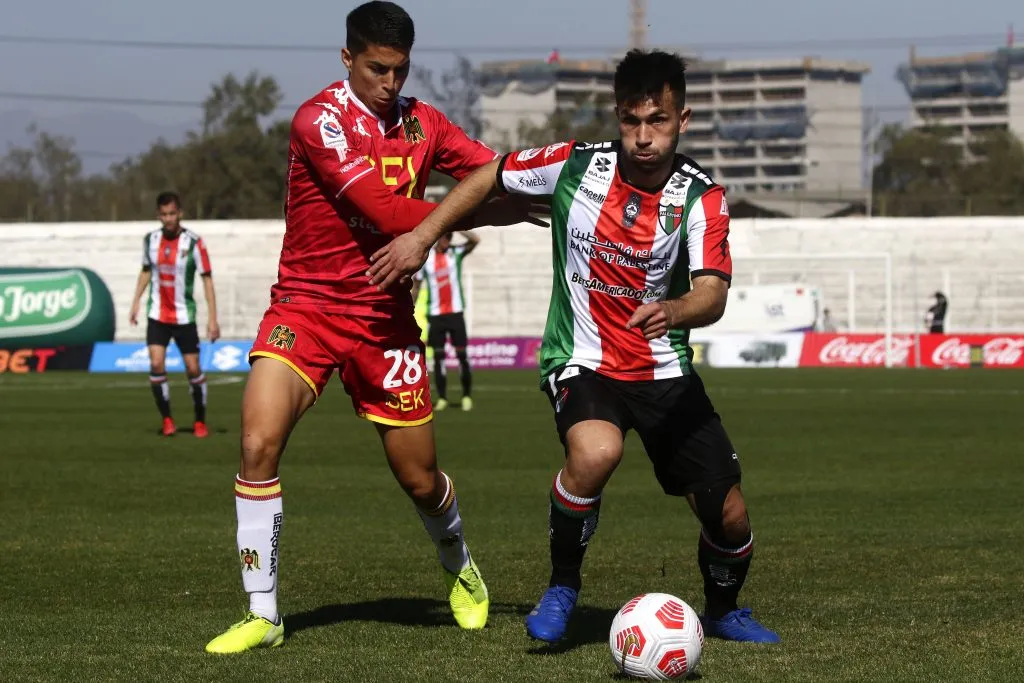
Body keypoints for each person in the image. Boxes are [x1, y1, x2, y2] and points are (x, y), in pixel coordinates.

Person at [368, 49, 780, 645]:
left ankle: (724, 611)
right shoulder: (574, 163)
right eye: (631, 121)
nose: (643, 137)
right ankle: (563, 585)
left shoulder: (701, 197)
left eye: (658, 121)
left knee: (730, 514)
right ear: (617, 116)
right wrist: (424, 235)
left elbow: (712, 294)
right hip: (583, 360)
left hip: (664, 371)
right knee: (594, 454)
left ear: (682, 120)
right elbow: (490, 174)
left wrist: (674, 309)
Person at [203, 1, 539, 654]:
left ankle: (460, 563)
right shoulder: (318, 121)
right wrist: (491, 215)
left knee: (420, 478)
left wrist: (555, 186)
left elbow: (492, 170)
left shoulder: (425, 124)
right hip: (304, 307)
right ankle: (264, 612)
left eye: (400, 70)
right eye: (378, 68)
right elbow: (382, 208)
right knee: (256, 442)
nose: (390, 83)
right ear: (347, 58)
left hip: (383, 322)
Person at [129, 191, 219, 438]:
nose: (168, 219)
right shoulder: (151, 240)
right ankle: (167, 419)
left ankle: (200, 420)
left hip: (183, 317)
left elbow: (207, 279)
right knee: (156, 362)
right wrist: (136, 302)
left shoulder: (194, 242)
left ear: (180, 213)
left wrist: (213, 318)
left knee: (192, 368)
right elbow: (146, 271)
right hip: (157, 314)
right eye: (164, 214)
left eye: (172, 213)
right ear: (158, 215)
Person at [411, 231, 479, 411]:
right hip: (436, 315)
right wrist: (410, 307)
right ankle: (442, 398)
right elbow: (416, 285)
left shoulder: (455, 253)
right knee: (439, 359)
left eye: (450, 237)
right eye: (445, 237)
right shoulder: (426, 259)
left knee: (462, 357)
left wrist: (457, 226)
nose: (448, 241)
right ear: (438, 238)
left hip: (455, 314)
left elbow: (475, 240)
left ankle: (465, 396)